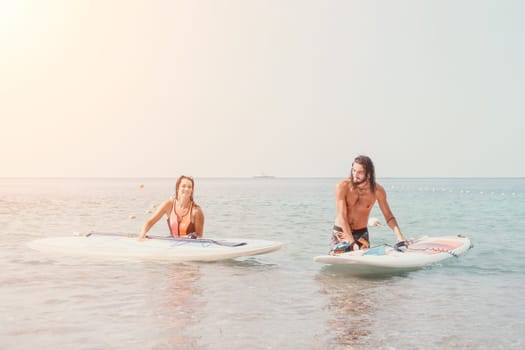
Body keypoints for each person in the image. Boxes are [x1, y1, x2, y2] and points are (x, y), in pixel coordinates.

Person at [331, 155, 406, 252]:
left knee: (362, 266)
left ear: (368, 173)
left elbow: (388, 216)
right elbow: (342, 216)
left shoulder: (377, 191)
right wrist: (352, 242)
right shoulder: (342, 186)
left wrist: (400, 236)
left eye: (359, 172)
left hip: (361, 233)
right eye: (354, 170)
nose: (355, 174)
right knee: (338, 264)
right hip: (341, 232)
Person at [139, 175, 204, 240]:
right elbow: (150, 222)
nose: (186, 189)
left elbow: (199, 239)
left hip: (188, 248)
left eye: (189, 187)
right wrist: (142, 234)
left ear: (192, 190)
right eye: (183, 186)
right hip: (172, 245)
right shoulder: (168, 205)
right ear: (177, 188)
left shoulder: (196, 211)